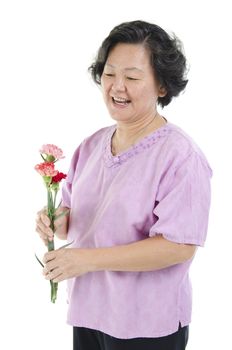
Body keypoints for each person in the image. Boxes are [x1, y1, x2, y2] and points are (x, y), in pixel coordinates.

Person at [36, 20, 212, 350]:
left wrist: (86, 260)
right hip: (90, 312)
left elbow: (178, 246)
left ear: (162, 86)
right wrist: (52, 219)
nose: (117, 86)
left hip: (146, 323)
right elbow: (72, 220)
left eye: (132, 77)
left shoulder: (179, 155)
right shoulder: (91, 145)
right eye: (109, 74)